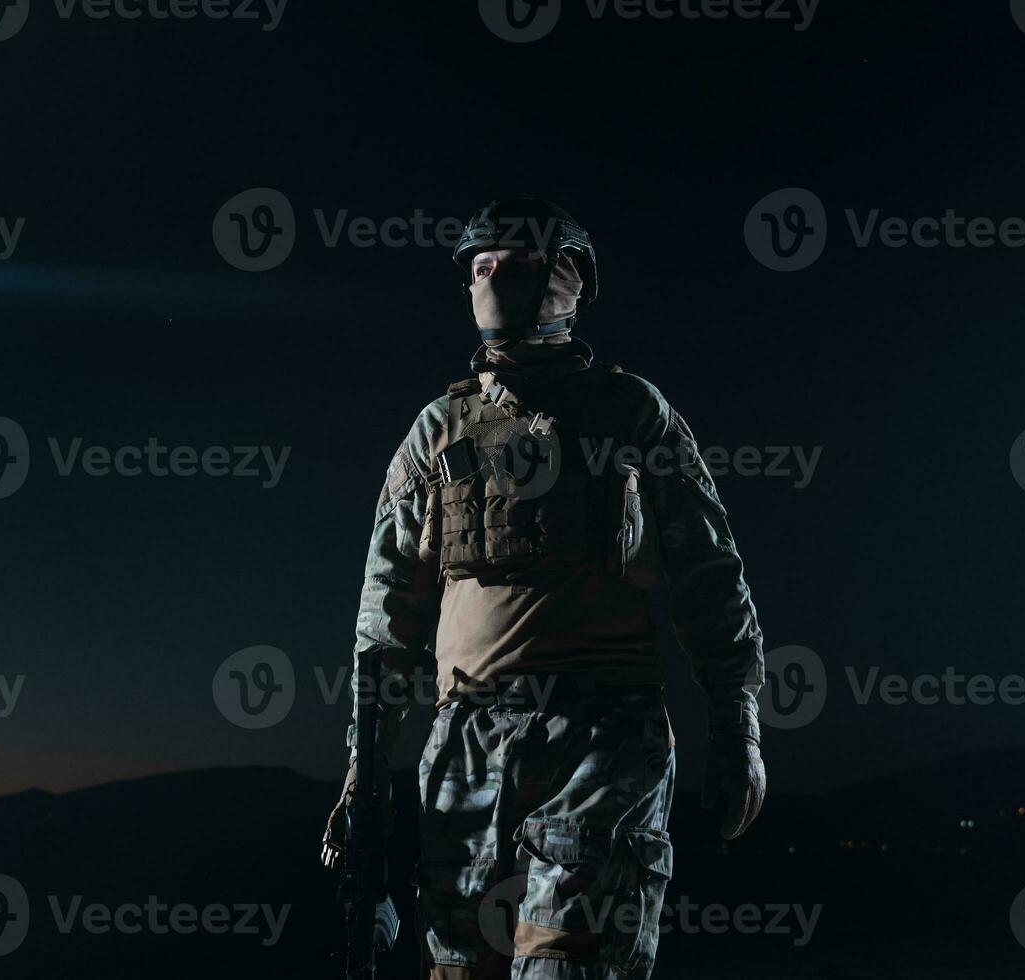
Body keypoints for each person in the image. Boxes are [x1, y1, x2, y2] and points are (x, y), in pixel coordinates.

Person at [322, 197, 767, 980]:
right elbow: (385, 613)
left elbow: (709, 571)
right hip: (464, 744)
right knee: (458, 967)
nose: (494, 281)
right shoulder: (437, 432)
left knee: (570, 965)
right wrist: (365, 770)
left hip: (600, 737)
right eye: (481, 268)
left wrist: (737, 720)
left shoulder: (630, 413)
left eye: (518, 265)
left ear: (569, 280)